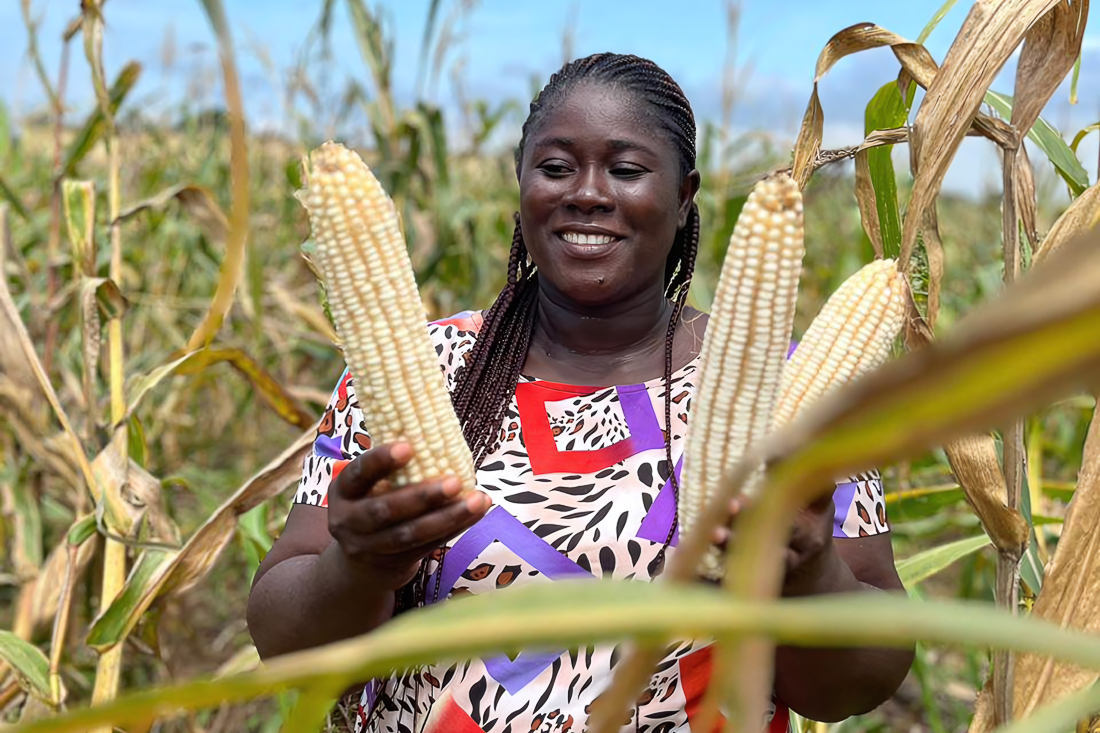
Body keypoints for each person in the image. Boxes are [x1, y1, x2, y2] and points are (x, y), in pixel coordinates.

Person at [247, 52, 914, 733]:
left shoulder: (795, 394)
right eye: (557, 167)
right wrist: (357, 563)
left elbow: (853, 686)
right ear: (521, 184)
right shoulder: (427, 368)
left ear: (685, 196)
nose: (587, 193)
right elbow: (286, 644)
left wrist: (805, 573)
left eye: (625, 169)